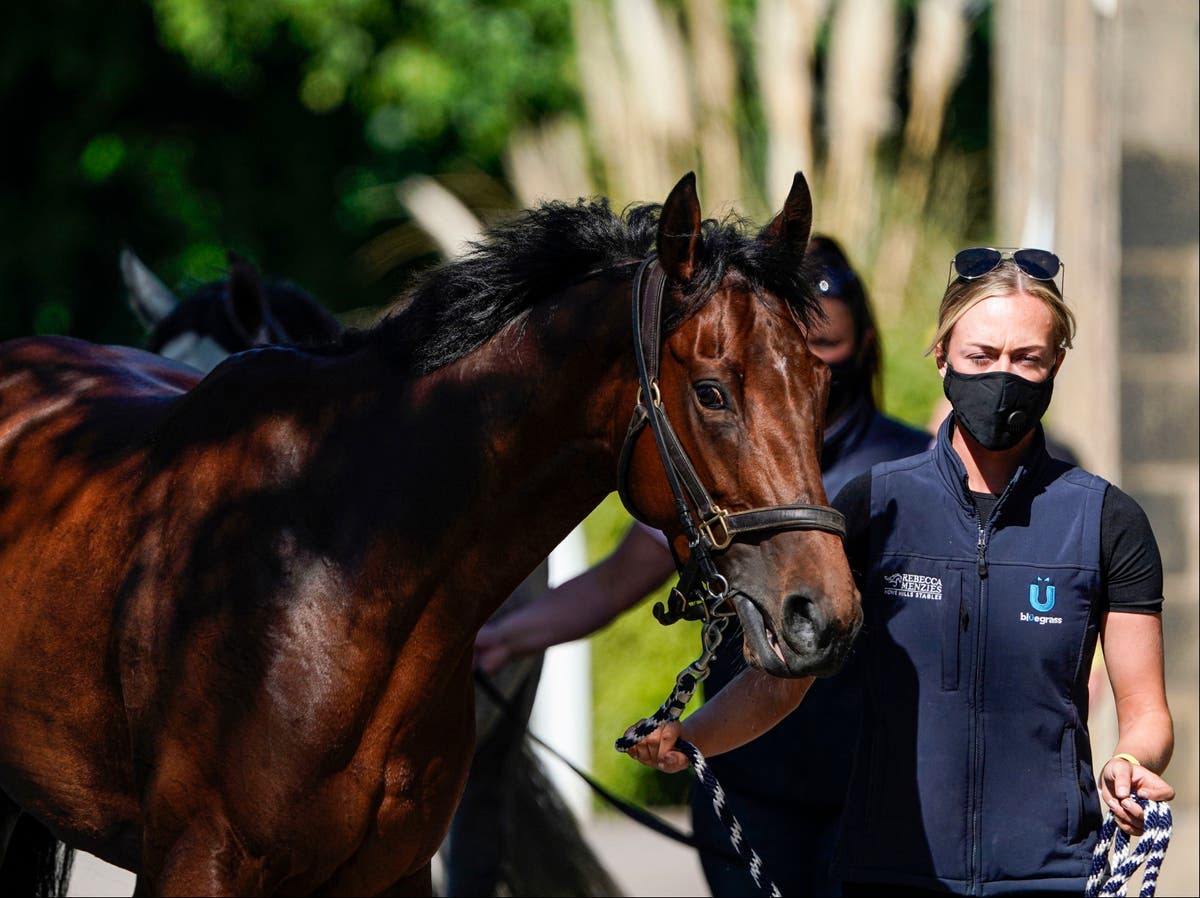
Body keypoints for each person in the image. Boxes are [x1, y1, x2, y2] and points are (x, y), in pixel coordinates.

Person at [625, 247, 1176, 896]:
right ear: (941, 356)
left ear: (1055, 362)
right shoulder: (873, 505)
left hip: (1053, 871)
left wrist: (1132, 761)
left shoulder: (1106, 520)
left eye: (1026, 358)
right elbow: (782, 683)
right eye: (981, 356)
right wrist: (692, 736)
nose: (1003, 376)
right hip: (887, 870)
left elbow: (1146, 712)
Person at [475, 235, 931, 897]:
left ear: (862, 348)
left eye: (827, 346)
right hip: (751, 784)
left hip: (871, 792)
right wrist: (500, 640)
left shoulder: (914, 466)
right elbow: (618, 579)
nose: (811, 357)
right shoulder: (726, 464)